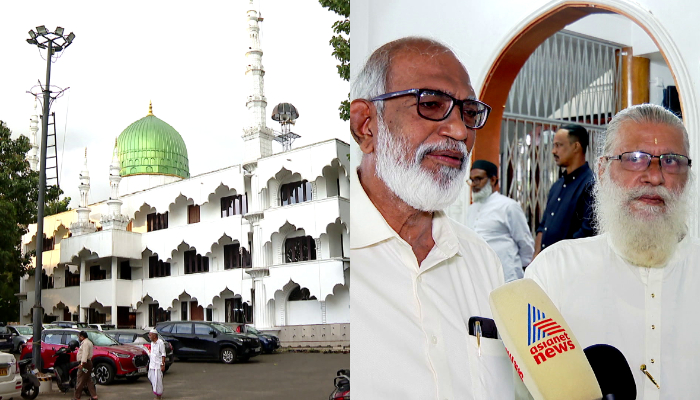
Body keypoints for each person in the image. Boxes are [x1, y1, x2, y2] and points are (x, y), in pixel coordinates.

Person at [350, 37, 514, 399]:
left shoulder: (481, 261)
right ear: (366, 125)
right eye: (431, 104)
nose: (459, 131)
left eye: (468, 112)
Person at [525, 104, 697, 397]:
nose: (654, 177)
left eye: (670, 161)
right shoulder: (553, 272)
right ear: (603, 170)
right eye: (635, 159)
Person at [466, 160, 534, 281]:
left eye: (478, 179)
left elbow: (525, 243)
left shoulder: (508, 206)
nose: (474, 184)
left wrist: (518, 267)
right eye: (472, 180)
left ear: (492, 180)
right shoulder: (471, 210)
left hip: (507, 276)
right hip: (479, 277)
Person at [534, 123, 595, 257]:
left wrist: (558, 258)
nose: (553, 151)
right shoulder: (557, 185)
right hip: (546, 265)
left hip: (569, 266)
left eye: (559, 145)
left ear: (576, 147)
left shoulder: (591, 185)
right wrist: (537, 255)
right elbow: (543, 225)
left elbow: (587, 233)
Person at [74, 330, 97, 400]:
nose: (78, 338)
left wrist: (82, 364)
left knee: (80, 379)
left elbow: (85, 353)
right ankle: (94, 396)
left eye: (79, 336)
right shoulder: (88, 342)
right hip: (87, 363)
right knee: (88, 380)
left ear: (82, 337)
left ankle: (77, 397)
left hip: (85, 364)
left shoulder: (85, 343)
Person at [147, 329, 166, 400]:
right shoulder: (152, 343)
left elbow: (163, 354)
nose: (149, 336)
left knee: (158, 381)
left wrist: (162, 364)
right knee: (151, 378)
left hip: (158, 365)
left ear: (154, 336)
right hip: (152, 365)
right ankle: (157, 393)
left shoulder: (160, 343)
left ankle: (159, 396)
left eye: (150, 335)